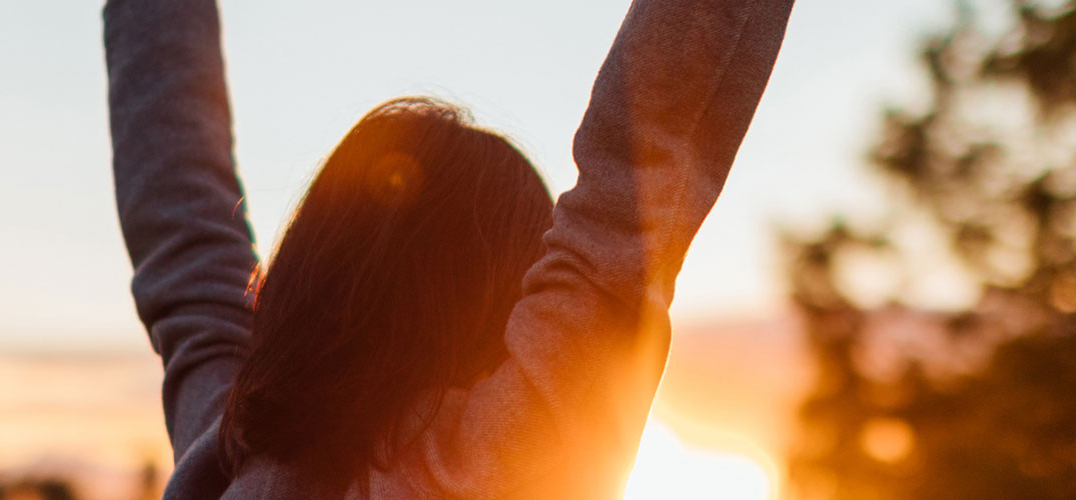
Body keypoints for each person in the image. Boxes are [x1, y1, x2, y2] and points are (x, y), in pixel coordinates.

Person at [104, 0, 794, 497]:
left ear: (300, 280)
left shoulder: (223, 454)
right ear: (500, 315)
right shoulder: (507, 459)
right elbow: (641, 174)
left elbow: (179, 214)